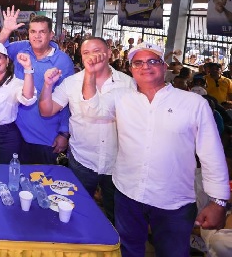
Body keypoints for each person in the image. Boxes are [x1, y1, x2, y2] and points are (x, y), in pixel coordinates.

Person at [80, 42, 230, 257]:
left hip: (173, 201)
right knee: (129, 250)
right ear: (131, 69)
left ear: (164, 65)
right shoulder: (122, 97)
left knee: (173, 253)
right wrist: (91, 74)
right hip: (127, 194)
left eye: (152, 61)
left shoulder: (192, 103)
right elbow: (91, 110)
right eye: (138, 63)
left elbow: (211, 154)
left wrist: (218, 201)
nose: (145, 67)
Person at [38, 37, 135, 223]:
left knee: (117, 217)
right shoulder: (72, 83)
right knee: (76, 212)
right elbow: (46, 110)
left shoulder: (128, 84)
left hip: (117, 164)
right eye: (86, 53)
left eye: (97, 50)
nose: (92, 56)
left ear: (108, 52)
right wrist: (47, 85)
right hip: (82, 160)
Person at [0, 7, 74, 164]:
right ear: (28, 33)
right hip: (15, 132)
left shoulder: (63, 61)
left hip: (45, 137)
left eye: (42, 32)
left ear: (51, 35)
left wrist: (64, 133)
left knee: (40, 183)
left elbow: (67, 100)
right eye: (33, 31)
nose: (37, 36)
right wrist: (5, 30)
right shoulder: (21, 48)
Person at [0, 42, 36, 164]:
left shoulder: (15, 84)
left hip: (5, 136)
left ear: (7, 60)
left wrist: (28, 69)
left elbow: (28, 98)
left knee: (2, 174)